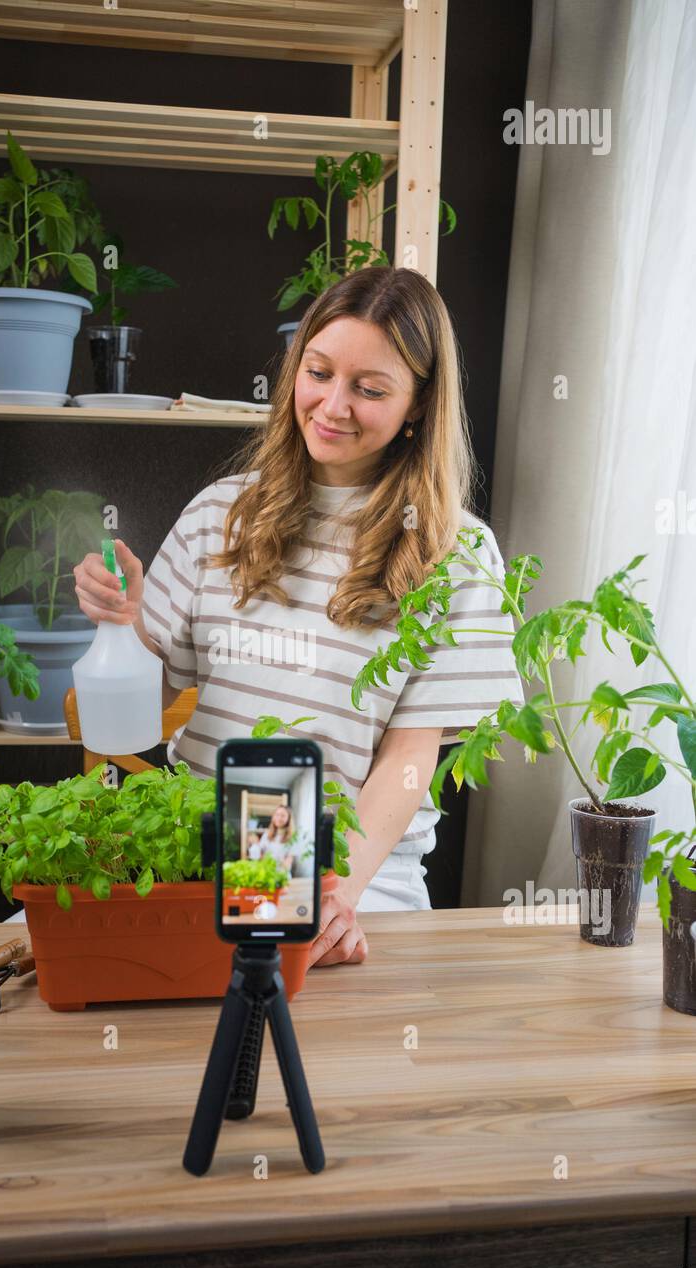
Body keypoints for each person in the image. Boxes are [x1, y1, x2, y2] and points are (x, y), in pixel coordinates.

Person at [74, 266, 524, 967]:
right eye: (318, 372)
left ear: (418, 406)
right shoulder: (219, 514)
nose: (332, 405)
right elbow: (142, 710)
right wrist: (122, 627)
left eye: (369, 389)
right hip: (195, 846)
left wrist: (337, 896)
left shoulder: (455, 554)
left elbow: (409, 763)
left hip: (360, 869)